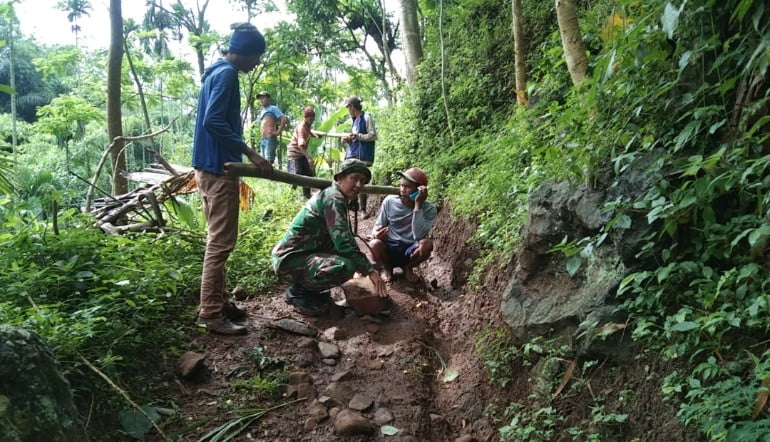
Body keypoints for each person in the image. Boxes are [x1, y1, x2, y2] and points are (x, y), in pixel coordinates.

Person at [192, 23, 272, 335]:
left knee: (218, 239)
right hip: (219, 168)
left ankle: (221, 301)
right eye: (256, 58)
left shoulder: (215, 72)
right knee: (221, 243)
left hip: (207, 167)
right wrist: (251, 153)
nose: (255, 64)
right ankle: (211, 313)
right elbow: (213, 121)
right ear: (247, 52)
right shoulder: (226, 75)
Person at [272, 159, 387, 317]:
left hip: (303, 253)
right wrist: (369, 270)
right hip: (289, 260)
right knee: (346, 266)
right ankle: (298, 293)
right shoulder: (333, 199)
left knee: (350, 259)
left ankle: (311, 291)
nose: (359, 185)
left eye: (363, 181)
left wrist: (364, 265)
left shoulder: (334, 195)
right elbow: (344, 243)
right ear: (340, 178)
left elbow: (344, 237)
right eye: (354, 178)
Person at [368, 167, 437, 282]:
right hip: (391, 246)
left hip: (411, 249)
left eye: (408, 186)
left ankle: (408, 268)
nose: (403, 190)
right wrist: (377, 234)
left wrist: (418, 205)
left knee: (427, 245)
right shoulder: (390, 201)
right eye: (401, 185)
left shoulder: (429, 209)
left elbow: (418, 235)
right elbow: (377, 226)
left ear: (420, 190)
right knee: (374, 244)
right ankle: (387, 269)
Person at [341, 96, 376, 216]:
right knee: (349, 178)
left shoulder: (366, 117)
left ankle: (362, 209)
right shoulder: (354, 121)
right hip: (353, 153)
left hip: (364, 154)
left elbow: (373, 135)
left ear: (352, 107)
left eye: (348, 107)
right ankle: (352, 206)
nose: (348, 110)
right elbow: (355, 139)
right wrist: (348, 140)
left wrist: (359, 136)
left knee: (361, 180)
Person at [287, 106, 320, 199]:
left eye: (313, 119)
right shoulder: (302, 127)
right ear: (305, 118)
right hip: (295, 153)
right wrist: (309, 158)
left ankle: (307, 195)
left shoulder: (307, 126)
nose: (312, 121)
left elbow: (309, 132)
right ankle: (290, 196)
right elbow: (301, 145)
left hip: (300, 153)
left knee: (307, 174)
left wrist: (315, 135)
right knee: (296, 175)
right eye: (310, 119)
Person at [257, 91, 288, 166]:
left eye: (263, 98)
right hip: (263, 139)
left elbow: (284, 119)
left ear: (268, 99)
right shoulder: (262, 111)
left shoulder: (273, 108)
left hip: (270, 137)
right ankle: (264, 177)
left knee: (268, 160)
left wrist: (278, 132)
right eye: (260, 98)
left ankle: (270, 176)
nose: (261, 100)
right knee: (262, 160)